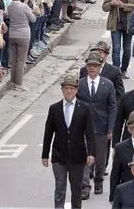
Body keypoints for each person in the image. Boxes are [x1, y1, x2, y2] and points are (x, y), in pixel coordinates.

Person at [42, 73, 96, 209]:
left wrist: (91, 153)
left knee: (76, 189)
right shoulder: (54, 109)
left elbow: (90, 133)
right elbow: (48, 132)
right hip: (59, 155)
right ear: (62, 90)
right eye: (66, 88)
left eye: (72, 88)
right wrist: (45, 154)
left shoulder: (84, 108)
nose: (69, 91)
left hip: (78, 156)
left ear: (76, 90)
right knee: (60, 187)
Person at [77, 52, 118, 199]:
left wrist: (111, 128)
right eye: (90, 65)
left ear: (100, 67)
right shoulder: (80, 84)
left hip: (101, 127)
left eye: (95, 65)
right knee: (85, 158)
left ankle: (99, 181)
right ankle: (85, 186)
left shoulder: (107, 84)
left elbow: (113, 107)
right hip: (83, 127)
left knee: (100, 160)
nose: (92, 68)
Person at [5, 0, 37, 90]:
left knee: (13, 59)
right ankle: (18, 83)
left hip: (13, 33)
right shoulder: (24, 6)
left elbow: (8, 16)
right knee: (21, 60)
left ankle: (12, 81)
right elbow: (33, 19)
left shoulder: (9, 6)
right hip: (23, 34)